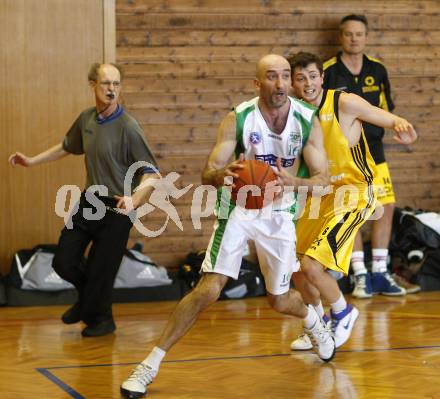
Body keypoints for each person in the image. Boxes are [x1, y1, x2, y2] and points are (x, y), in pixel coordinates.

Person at [120, 54, 335, 399]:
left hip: (279, 212)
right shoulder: (239, 118)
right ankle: (149, 364)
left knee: (279, 301)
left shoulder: (307, 120)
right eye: (271, 77)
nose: (280, 84)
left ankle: (312, 320)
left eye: (284, 76)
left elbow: (323, 181)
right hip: (238, 208)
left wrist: (293, 181)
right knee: (208, 289)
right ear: (257, 83)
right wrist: (224, 174)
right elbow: (208, 173)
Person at [9, 63, 158, 337]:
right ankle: (87, 300)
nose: (111, 89)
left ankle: (102, 321)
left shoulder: (129, 127)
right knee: (63, 261)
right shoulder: (87, 119)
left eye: (116, 84)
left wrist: (134, 200)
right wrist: (32, 161)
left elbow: (152, 174)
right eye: (105, 84)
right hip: (90, 201)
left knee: (102, 271)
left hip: (119, 208)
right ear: (93, 85)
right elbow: (66, 147)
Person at [287, 51, 417, 350]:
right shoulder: (295, 114)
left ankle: (343, 312)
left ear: (322, 77)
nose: (307, 82)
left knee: (311, 265)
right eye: (300, 78)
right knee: (294, 265)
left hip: (354, 192)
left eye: (312, 76)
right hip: (319, 195)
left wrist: (401, 126)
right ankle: (317, 327)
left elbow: (385, 116)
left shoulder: (344, 102)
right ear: (293, 83)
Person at [323, 14, 405, 298]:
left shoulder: (377, 69)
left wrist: (397, 125)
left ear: (366, 37)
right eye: (349, 34)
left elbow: (386, 108)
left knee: (386, 206)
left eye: (359, 34)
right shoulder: (329, 71)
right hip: (345, 154)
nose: (354, 38)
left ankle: (380, 272)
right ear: (341, 37)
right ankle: (360, 275)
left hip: (375, 151)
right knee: (353, 211)